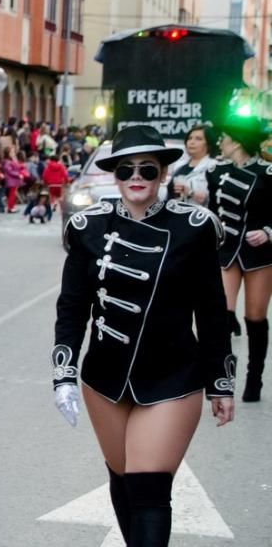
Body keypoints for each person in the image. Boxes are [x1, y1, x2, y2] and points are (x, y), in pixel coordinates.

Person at [53, 125, 234, 546]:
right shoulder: (86, 227)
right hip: (104, 379)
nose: (137, 177)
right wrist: (62, 373)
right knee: (123, 481)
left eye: (147, 170)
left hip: (173, 377)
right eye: (126, 169)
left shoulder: (194, 227)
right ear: (114, 175)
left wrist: (220, 383)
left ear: (164, 174)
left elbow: (212, 312)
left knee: (150, 489)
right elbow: (72, 309)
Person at [206, 116, 272, 402]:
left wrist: (269, 232)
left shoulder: (268, 172)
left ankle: (254, 378)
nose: (221, 142)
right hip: (226, 249)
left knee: (254, 317)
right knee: (220, 315)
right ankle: (220, 376)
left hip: (259, 253)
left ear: (239, 141)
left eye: (225, 138)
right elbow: (211, 211)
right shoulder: (215, 171)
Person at [167, 124, 216, 206]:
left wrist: (190, 192)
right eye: (189, 138)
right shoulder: (179, 165)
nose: (192, 142)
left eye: (198, 139)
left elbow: (214, 198)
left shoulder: (214, 166)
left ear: (208, 144)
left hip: (201, 215)